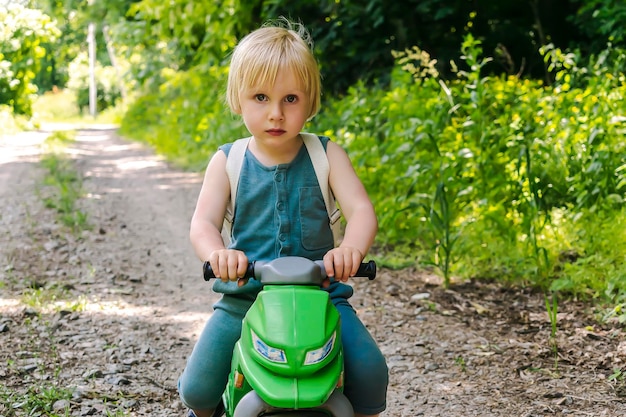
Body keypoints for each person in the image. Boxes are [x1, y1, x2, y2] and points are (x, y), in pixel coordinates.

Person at [178, 18, 388, 417]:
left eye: (290, 99)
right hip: (246, 296)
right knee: (198, 388)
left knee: (370, 369)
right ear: (238, 99)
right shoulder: (228, 161)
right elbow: (203, 223)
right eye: (260, 97)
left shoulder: (327, 155)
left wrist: (350, 249)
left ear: (310, 101)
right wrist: (219, 255)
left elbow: (361, 210)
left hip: (321, 297)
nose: (275, 113)